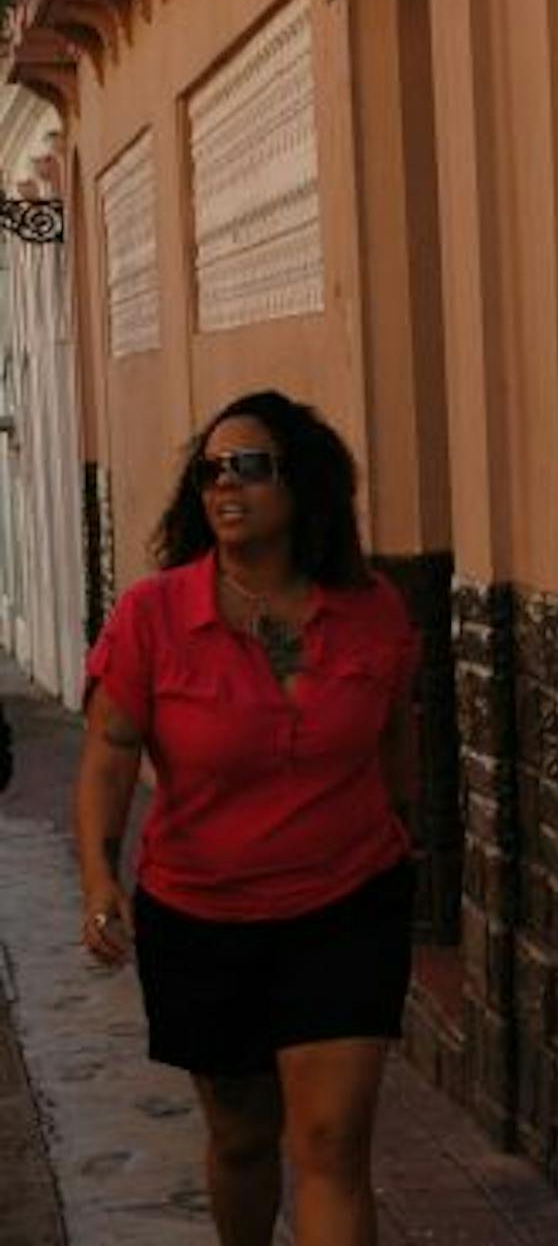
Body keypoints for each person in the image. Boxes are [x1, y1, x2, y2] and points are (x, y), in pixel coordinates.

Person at [74, 390, 420, 1246]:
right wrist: (97, 877)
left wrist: (401, 843)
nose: (226, 485)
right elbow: (111, 757)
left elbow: (398, 744)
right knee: (240, 1138)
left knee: (332, 1143)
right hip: (202, 915)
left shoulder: (372, 610)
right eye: (211, 471)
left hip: (347, 903)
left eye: (250, 467)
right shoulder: (153, 615)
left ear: (302, 484)